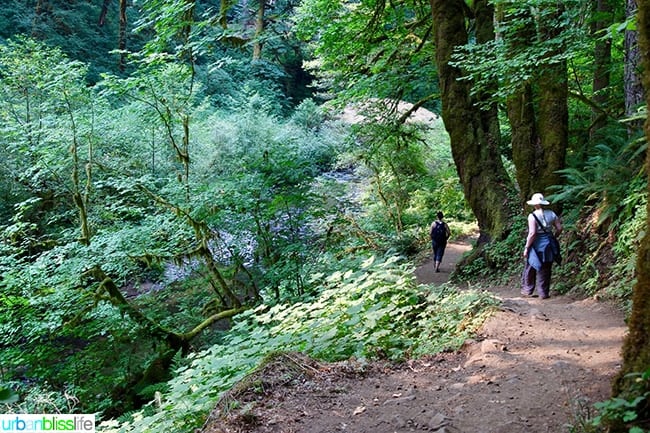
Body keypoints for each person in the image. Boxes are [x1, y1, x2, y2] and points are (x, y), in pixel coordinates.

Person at [521, 193, 562, 299]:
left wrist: (526, 248)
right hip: (549, 243)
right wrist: (554, 237)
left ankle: (527, 290)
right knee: (546, 268)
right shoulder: (551, 214)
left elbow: (532, 233)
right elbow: (559, 228)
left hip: (536, 243)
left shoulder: (532, 216)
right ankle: (543, 293)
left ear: (534, 204)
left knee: (531, 265)